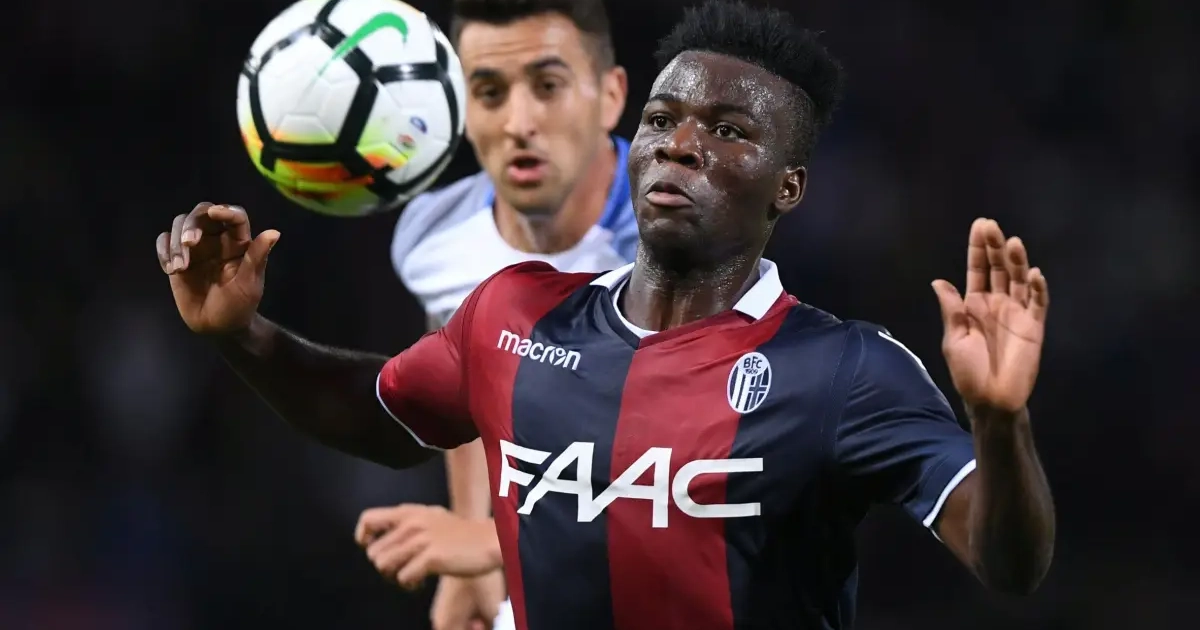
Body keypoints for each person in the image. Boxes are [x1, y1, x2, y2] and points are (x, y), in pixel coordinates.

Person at [155, 1, 1056, 628]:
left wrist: (1000, 422)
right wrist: (241, 334)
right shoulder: (513, 314)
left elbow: (1009, 563)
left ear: (789, 188)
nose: (681, 145)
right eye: (664, 119)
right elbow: (377, 414)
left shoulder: (845, 370)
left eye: (729, 131)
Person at [363, 0, 632, 627]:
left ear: (610, 96)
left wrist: (490, 543)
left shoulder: (684, 245)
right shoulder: (437, 237)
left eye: (548, 87)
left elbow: (711, 481)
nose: (519, 123)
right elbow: (471, 384)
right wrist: (470, 536)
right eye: (489, 93)